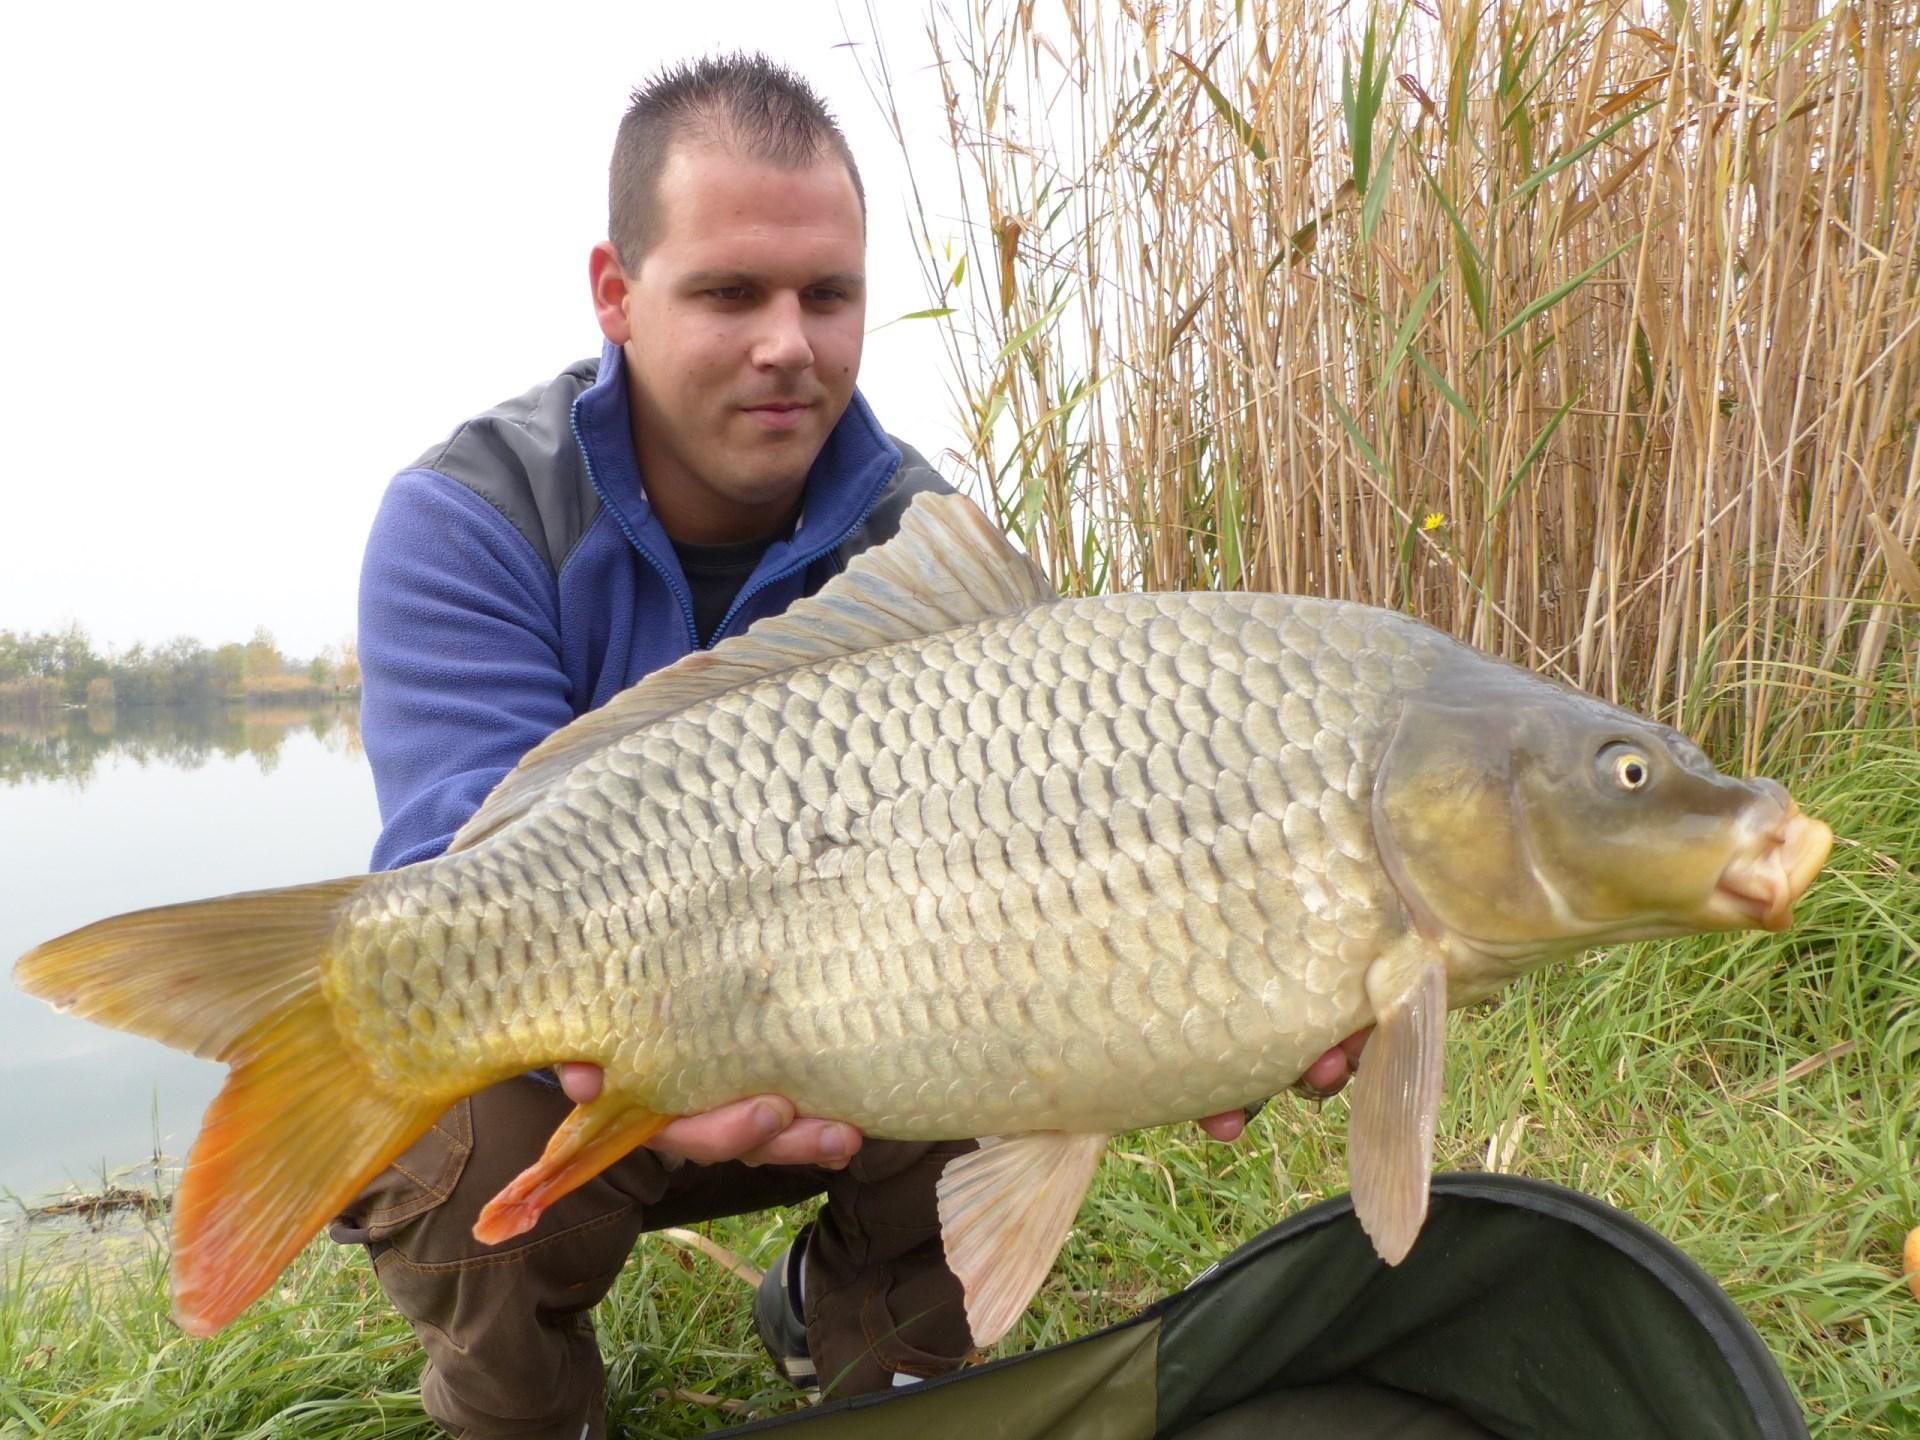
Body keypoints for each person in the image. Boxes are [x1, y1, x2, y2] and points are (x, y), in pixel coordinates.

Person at [333, 51, 1368, 1440]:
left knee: (1008, 1004)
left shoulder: (926, 548)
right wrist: (658, 1050)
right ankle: (525, 1405)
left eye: (829, 295)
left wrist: (1201, 987)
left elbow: (1056, 861)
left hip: (853, 1044)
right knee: (445, 1116)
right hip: (595, 1059)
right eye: (729, 293)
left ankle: (864, 1338)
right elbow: (463, 867)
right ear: (615, 294)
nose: (790, 343)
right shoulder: (472, 516)